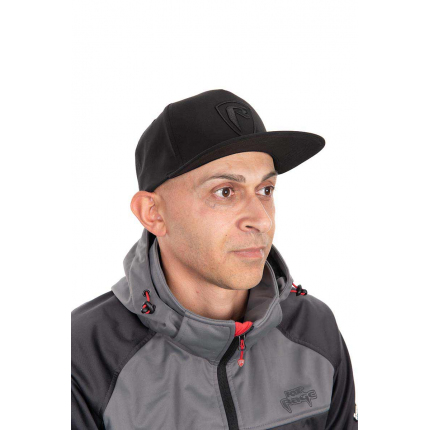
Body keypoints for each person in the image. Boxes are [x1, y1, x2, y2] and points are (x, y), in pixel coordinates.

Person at [71, 89, 358, 429]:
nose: (261, 220)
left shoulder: (314, 329)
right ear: (153, 213)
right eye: (225, 192)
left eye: (265, 190)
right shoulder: (83, 353)